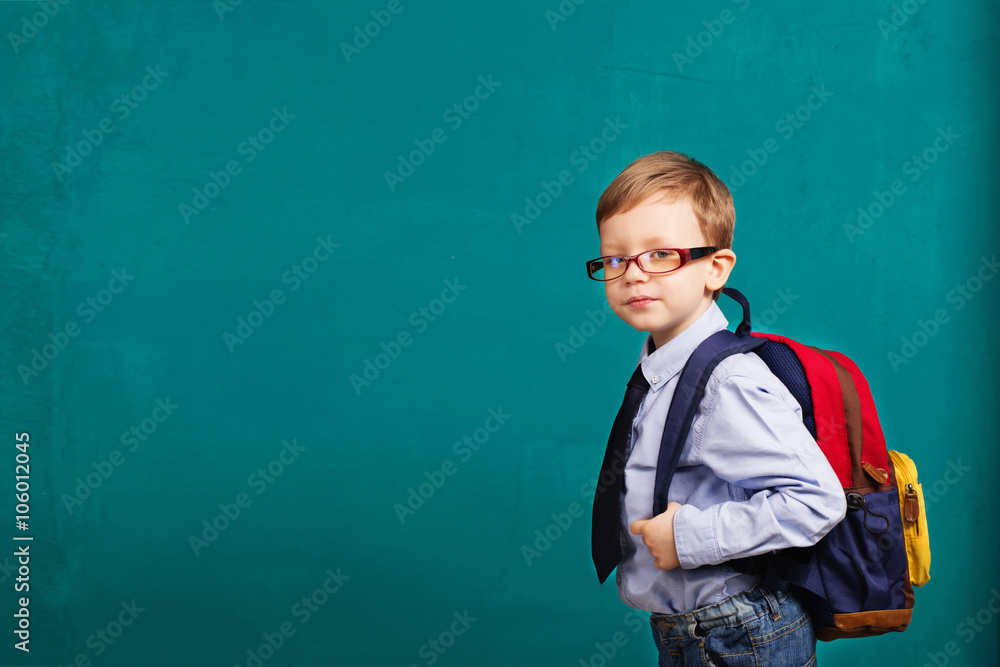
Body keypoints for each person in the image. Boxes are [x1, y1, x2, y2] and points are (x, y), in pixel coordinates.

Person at [587, 150, 846, 667]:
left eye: (661, 254)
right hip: (698, 630)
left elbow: (818, 502)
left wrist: (688, 538)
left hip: (742, 633)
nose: (633, 274)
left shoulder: (727, 382)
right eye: (615, 258)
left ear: (715, 268)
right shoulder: (663, 367)